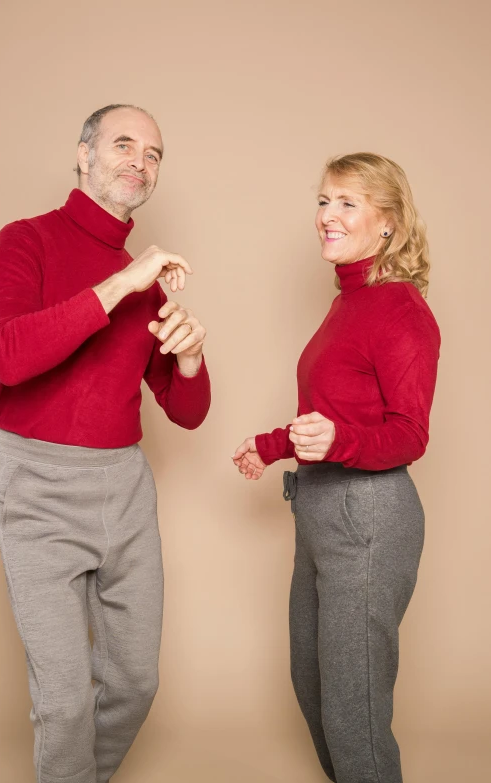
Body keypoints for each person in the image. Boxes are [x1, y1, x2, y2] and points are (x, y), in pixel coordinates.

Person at [0, 104, 211, 783]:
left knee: (136, 681)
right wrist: (120, 283)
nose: (140, 160)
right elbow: (9, 358)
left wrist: (193, 358)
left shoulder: (147, 278)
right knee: (63, 700)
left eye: (154, 152)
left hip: (124, 490)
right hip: (36, 488)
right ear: (83, 155)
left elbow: (189, 411)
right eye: (123, 144)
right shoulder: (24, 242)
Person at [232, 152, 440, 783]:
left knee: (355, 709)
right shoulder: (347, 303)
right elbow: (332, 415)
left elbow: (408, 434)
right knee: (314, 682)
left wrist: (338, 440)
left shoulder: (400, 309)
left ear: (390, 225)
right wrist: (270, 445)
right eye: (323, 200)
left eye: (347, 202)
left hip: (369, 519)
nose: (327, 215)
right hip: (323, 512)